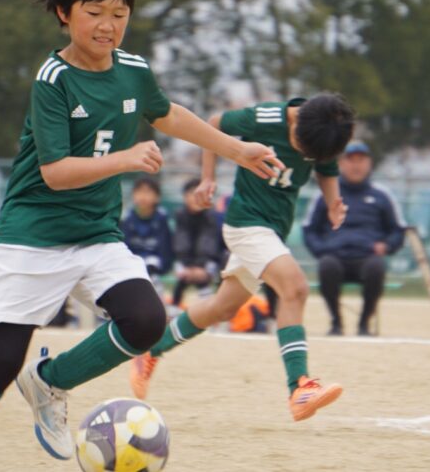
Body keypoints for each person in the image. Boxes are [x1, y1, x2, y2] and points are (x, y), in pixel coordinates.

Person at [0, 0, 282, 472]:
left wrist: (236, 149)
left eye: (119, 14)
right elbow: (55, 172)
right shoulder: (53, 79)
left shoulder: (133, 69)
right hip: (30, 236)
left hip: (96, 236)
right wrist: (126, 159)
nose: (108, 25)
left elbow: (167, 115)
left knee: (146, 320)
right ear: (64, 13)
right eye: (94, 12)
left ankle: (50, 382)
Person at [130, 94, 355, 422]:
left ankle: (151, 350)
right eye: (299, 147)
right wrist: (208, 177)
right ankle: (299, 387)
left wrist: (333, 202)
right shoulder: (264, 119)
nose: (303, 155)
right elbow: (214, 124)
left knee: (223, 308)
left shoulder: (321, 133)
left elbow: (326, 167)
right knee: (295, 288)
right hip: (246, 224)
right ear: (295, 121)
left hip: (272, 231)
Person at [303, 141, 407, 336]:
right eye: (351, 160)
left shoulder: (382, 195)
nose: (356, 165)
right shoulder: (326, 192)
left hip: (367, 256)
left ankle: (364, 323)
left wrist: (386, 246)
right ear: (341, 163)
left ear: (369, 163)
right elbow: (309, 229)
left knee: (376, 267)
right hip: (335, 255)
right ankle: (336, 322)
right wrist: (321, 250)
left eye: (361, 160)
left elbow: (398, 230)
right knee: (326, 265)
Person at [170, 177, 221, 306]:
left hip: (208, 262)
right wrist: (187, 266)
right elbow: (180, 244)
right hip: (185, 263)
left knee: (204, 281)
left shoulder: (212, 217)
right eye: (191, 194)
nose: (195, 198)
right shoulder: (180, 215)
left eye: (199, 194)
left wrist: (201, 267)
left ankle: (209, 309)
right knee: (181, 281)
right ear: (184, 197)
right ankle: (173, 308)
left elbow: (212, 246)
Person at [120, 176, 174, 292]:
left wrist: (160, 268)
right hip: (131, 266)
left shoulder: (162, 218)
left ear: (157, 197)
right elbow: (124, 247)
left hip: (154, 269)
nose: (143, 196)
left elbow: (165, 249)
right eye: (139, 191)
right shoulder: (127, 218)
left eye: (148, 192)